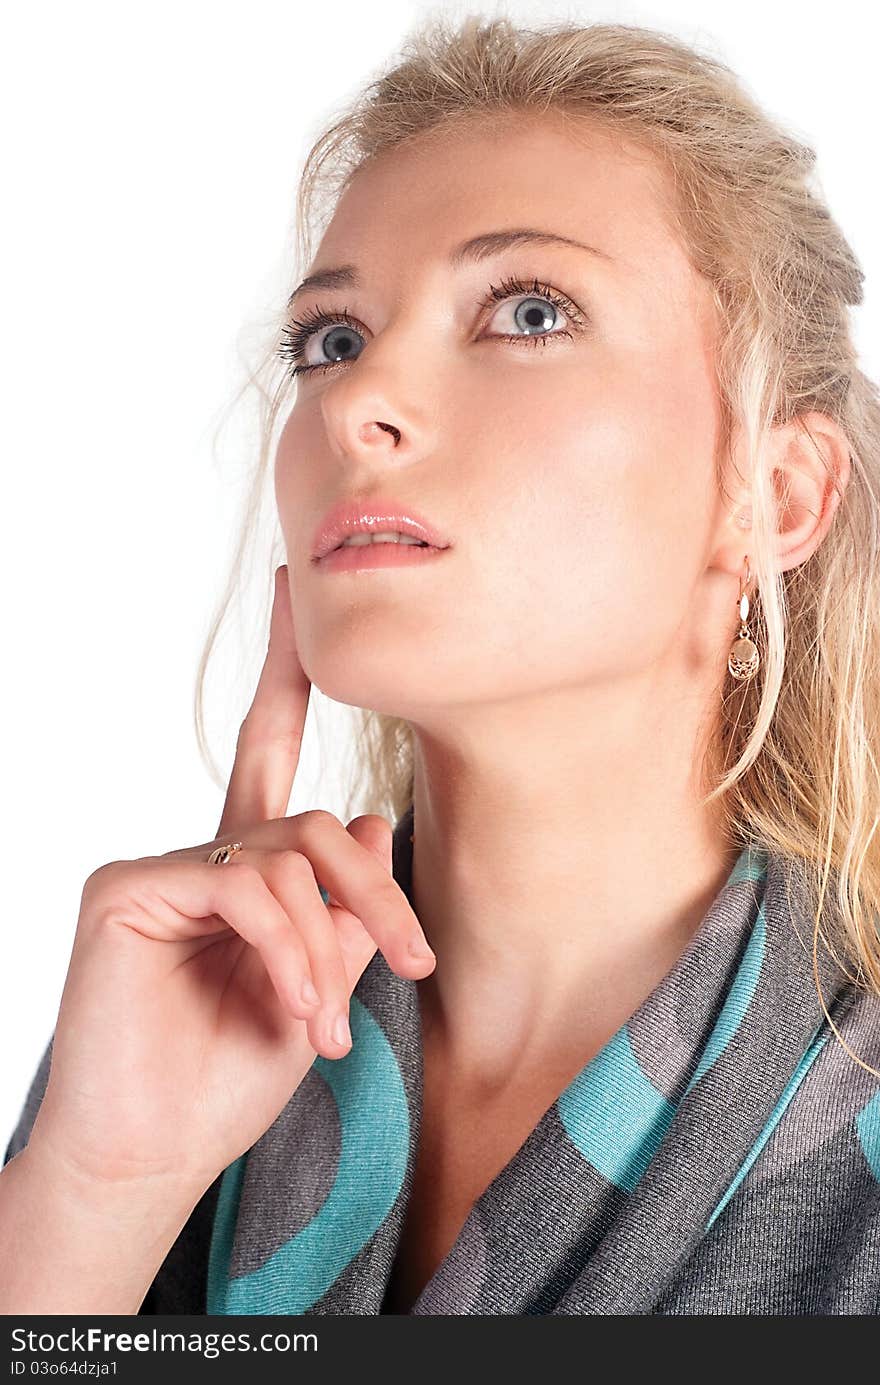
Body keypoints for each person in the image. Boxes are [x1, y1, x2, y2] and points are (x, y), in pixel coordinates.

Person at [3, 14, 880, 1316]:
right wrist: (94, 1190)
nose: (358, 402)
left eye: (528, 311)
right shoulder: (172, 1040)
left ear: (773, 494)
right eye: (333, 339)